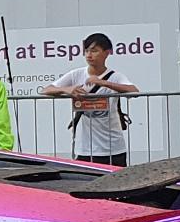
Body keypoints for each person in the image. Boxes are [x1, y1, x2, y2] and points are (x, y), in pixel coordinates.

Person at [44, 31, 141, 166]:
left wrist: (103, 83)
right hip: (85, 148)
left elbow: (134, 91)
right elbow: (46, 90)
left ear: (107, 53)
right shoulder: (76, 74)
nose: (89, 55)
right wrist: (67, 89)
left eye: (94, 51)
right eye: (87, 51)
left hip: (113, 147)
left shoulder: (115, 76)